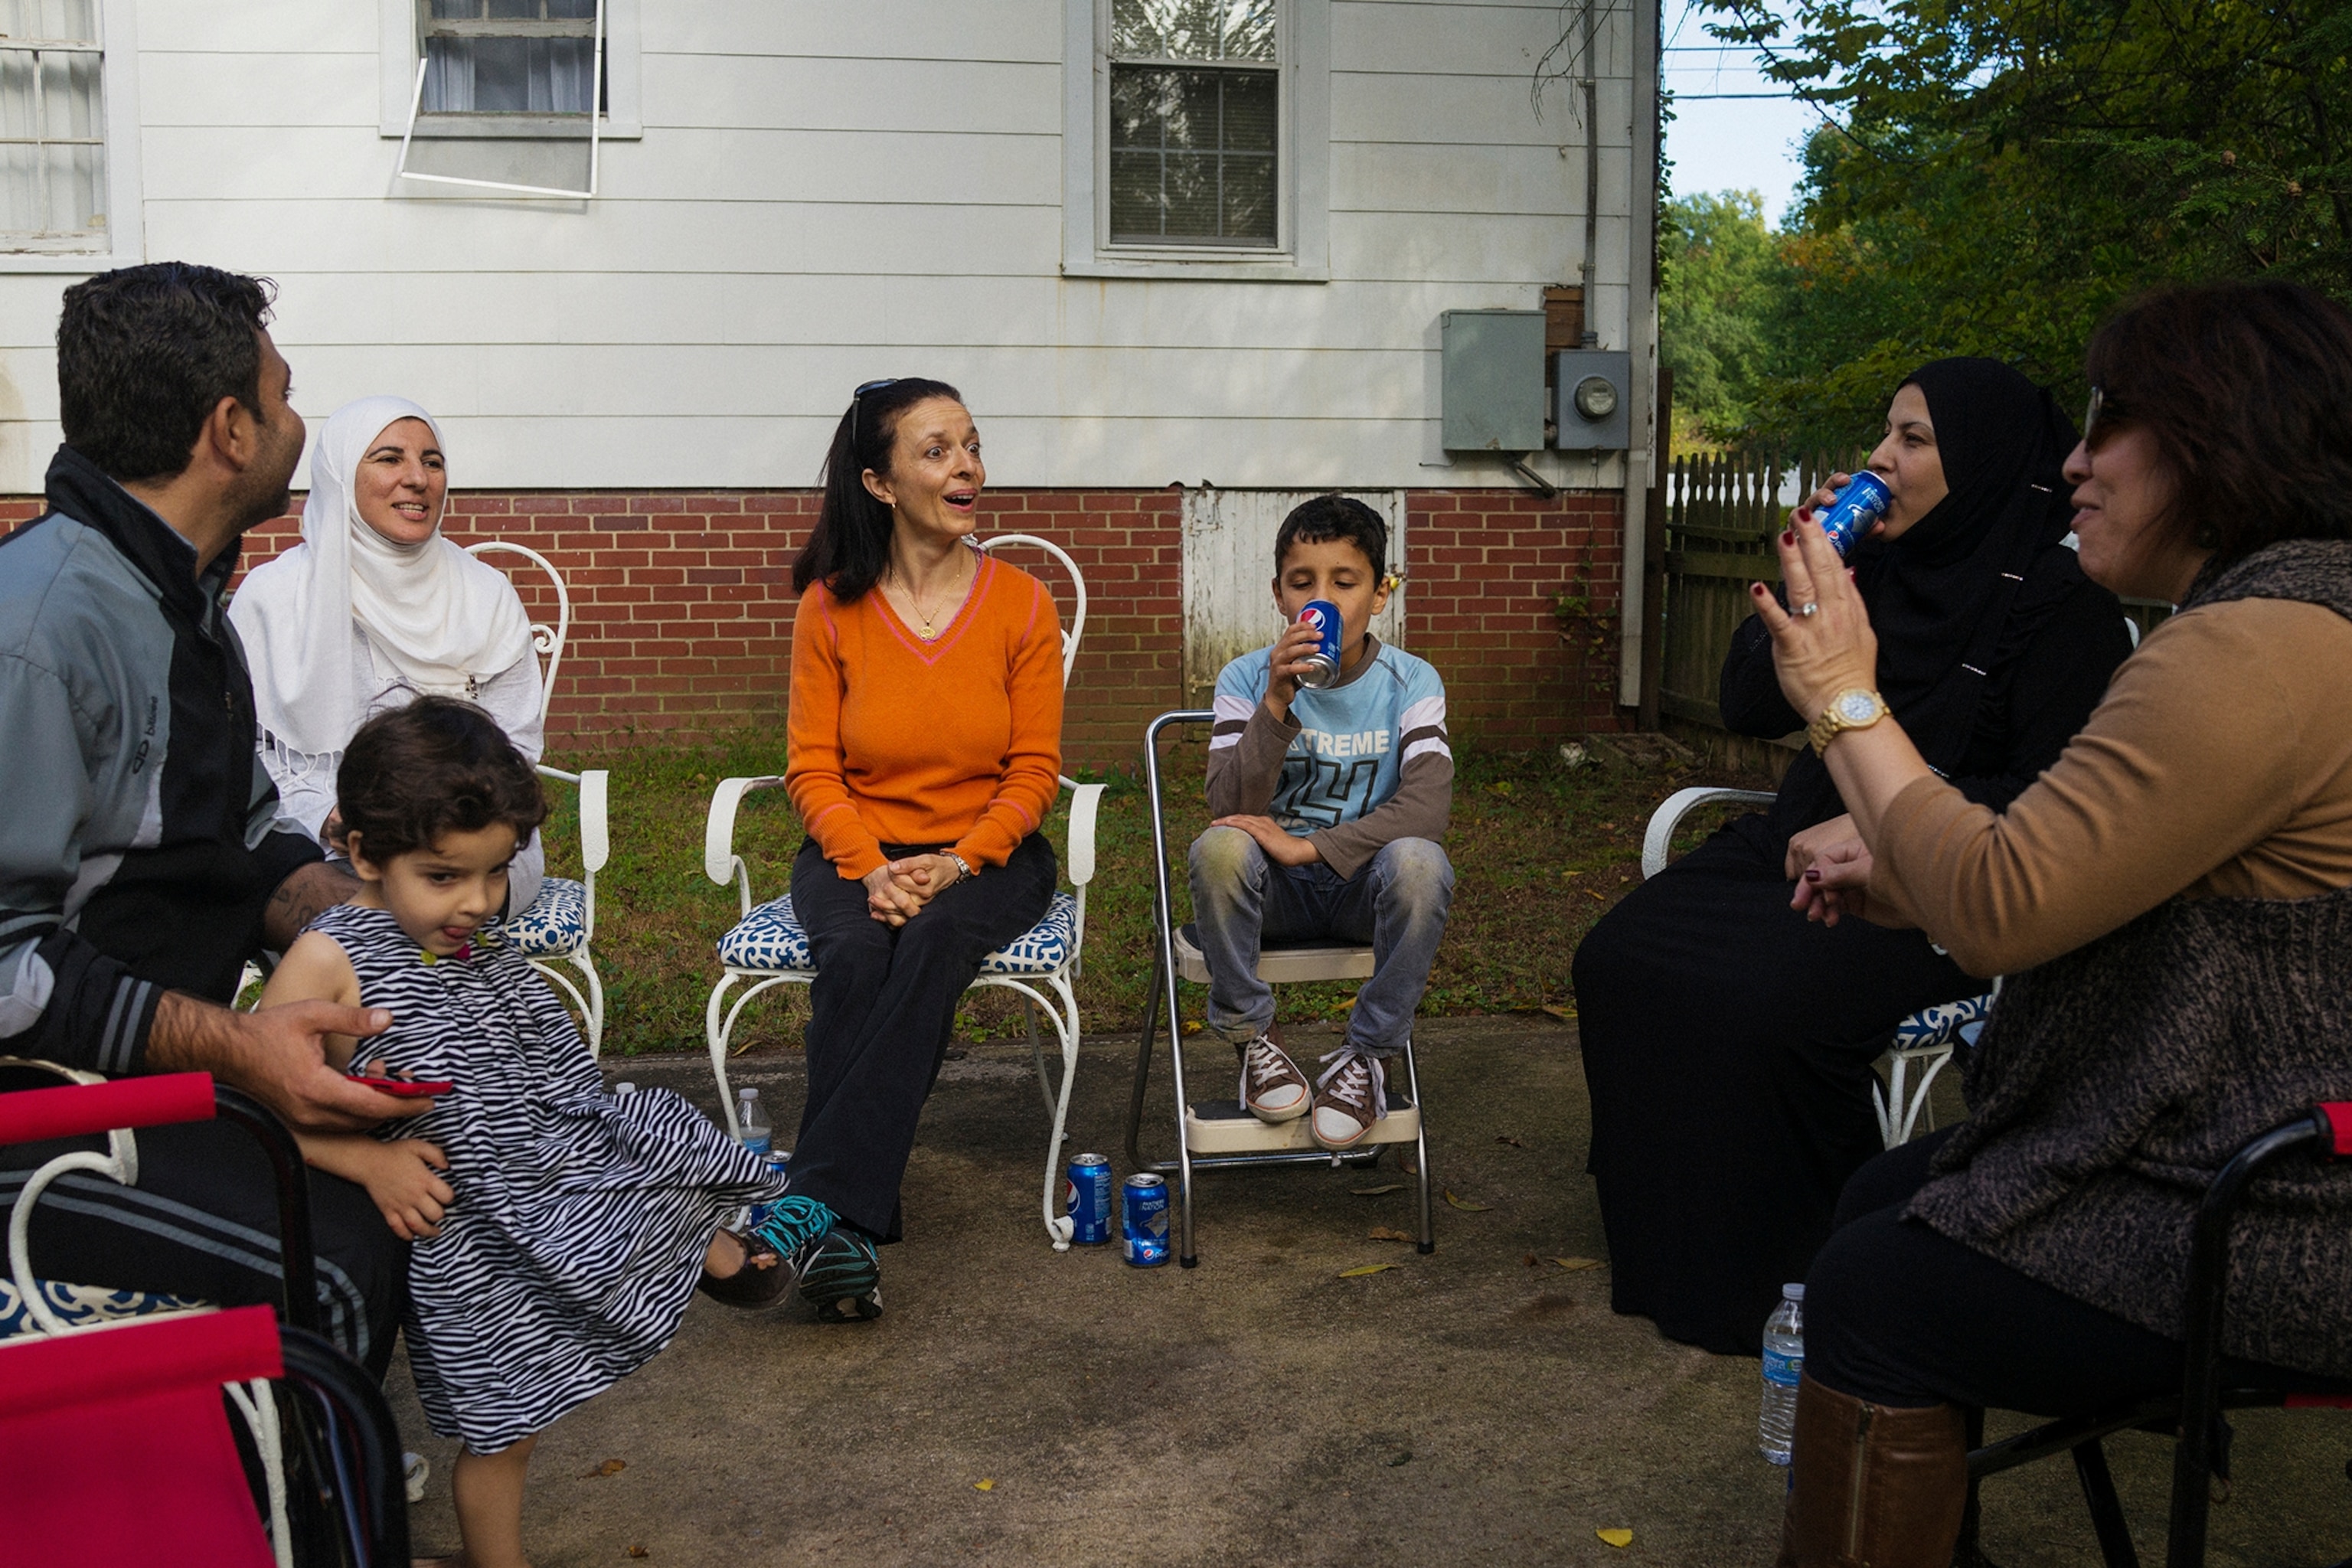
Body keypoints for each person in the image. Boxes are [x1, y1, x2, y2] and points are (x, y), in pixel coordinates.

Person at [1759, 282, 2352, 1565]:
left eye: (2113, 423)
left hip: (2279, 1210)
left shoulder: (2247, 652)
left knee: (1872, 1285)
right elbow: (2092, 873)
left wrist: (1845, 698)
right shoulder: (2313, 619)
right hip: (2288, 1148)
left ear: (2220, 435)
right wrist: (1905, 864)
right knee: (1882, 1187)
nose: (2074, 461)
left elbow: (2002, 907)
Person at [1571, 360, 2134, 1355]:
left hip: (1935, 880)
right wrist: (1807, 575)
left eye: (1913, 440)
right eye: (1887, 434)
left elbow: (2061, 798)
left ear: (1987, 463)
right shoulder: (1874, 567)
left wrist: (1891, 829)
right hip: (1796, 836)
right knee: (1620, 958)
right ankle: (1674, 1248)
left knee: (1763, 999)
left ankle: (1803, 1276)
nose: (1880, 457)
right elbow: (1749, 703)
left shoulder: (2059, 602)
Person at [0, 263, 420, 1372]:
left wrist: (403, 937)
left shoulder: (175, 599)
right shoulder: (41, 634)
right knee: (332, 1254)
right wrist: (240, 1047)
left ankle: (329, 1487)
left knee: (449, 1135)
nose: (296, 426)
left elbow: (243, 846)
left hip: (143, 1076)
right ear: (229, 430)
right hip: (36, 1114)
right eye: (281, 401)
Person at [265, 699, 790, 1568]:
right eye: (444, 876)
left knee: (656, 1154)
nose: (478, 901)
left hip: (537, 1154)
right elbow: (254, 1101)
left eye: (495, 872)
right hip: (464, 1225)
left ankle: (708, 1245)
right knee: (508, 1424)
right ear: (361, 852)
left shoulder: (459, 930)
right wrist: (368, 1159)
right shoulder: (332, 959)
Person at [773, 377, 1063, 1321]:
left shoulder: (1023, 605)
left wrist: (960, 861)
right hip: (855, 848)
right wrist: (868, 866)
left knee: (936, 940)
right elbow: (812, 770)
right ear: (881, 482)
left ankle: (815, 1209)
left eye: (972, 444)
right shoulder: (831, 608)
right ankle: (848, 1228)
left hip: (990, 853)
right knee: (855, 950)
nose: (967, 465)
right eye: (936, 449)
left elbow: (1035, 771)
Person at [1189, 495, 1455, 1147]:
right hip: (1270, 895)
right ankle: (1254, 1037)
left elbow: (1427, 808)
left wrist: (1311, 848)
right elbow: (1228, 806)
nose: (1324, 598)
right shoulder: (1246, 677)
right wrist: (1277, 700)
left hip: (1364, 890)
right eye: (1303, 582)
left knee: (1422, 862)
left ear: (1381, 593)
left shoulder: (1411, 681)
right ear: (1279, 597)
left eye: (1346, 581)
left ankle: (1369, 1054)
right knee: (1217, 848)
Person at [230, 396, 548, 915]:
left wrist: (447, 821)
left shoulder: (485, 596)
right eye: (389, 458)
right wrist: (329, 817)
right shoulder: (273, 598)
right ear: (339, 475)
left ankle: (393, 974)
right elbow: (251, 757)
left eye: (432, 461)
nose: (418, 479)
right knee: (322, 882)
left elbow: (515, 746)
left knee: (429, 887)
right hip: (320, 837)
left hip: (476, 835)